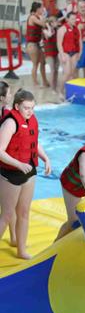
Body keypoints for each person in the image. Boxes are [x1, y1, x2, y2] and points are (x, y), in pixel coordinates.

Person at [0, 90, 51, 259]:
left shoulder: (31, 120)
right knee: (7, 215)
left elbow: (33, 142)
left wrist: (45, 158)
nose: (30, 111)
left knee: (24, 212)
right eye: (26, 108)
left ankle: (21, 250)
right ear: (16, 106)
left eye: (33, 108)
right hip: (11, 173)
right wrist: (18, 164)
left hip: (29, 170)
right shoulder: (10, 123)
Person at [0, 82, 16, 247]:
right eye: (9, 94)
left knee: (11, 205)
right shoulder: (6, 116)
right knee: (8, 209)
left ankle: (14, 238)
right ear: (2, 98)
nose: (11, 96)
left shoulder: (7, 113)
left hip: (4, 165)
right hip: (3, 166)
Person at [57, 12, 82, 95]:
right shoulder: (62, 29)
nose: (74, 20)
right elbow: (59, 43)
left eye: (75, 19)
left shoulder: (77, 29)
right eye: (72, 19)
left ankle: (69, 92)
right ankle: (60, 91)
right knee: (66, 73)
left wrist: (80, 53)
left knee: (72, 73)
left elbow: (79, 41)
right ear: (67, 19)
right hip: (65, 53)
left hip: (74, 53)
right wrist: (62, 55)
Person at [25, 2, 49, 87]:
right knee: (35, 64)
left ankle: (45, 81)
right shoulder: (32, 17)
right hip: (32, 44)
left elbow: (44, 28)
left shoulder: (38, 17)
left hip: (38, 44)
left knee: (43, 63)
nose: (43, 9)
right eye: (42, 8)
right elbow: (43, 24)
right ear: (37, 9)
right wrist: (44, 16)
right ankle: (35, 83)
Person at [42, 16, 60, 92]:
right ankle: (52, 88)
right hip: (49, 53)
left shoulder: (57, 30)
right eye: (56, 22)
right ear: (51, 23)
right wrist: (49, 26)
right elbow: (49, 35)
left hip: (56, 52)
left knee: (56, 70)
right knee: (52, 70)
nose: (57, 23)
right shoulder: (44, 30)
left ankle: (55, 86)